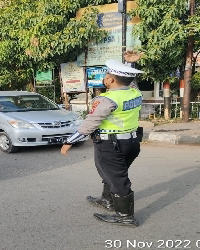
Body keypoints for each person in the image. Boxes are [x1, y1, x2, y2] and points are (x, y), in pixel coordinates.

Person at [60, 52, 144, 227]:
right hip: (131, 143)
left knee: (118, 179)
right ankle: (107, 200)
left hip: (110, 145)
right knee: (110, 173)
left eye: (107, 76)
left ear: (111, 81)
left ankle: (126, 217)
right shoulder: (135, 92)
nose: (105, 78)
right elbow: (129, 80)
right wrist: (130, 65)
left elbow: (91, 123)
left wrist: (69, 141)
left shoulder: (107, 100)